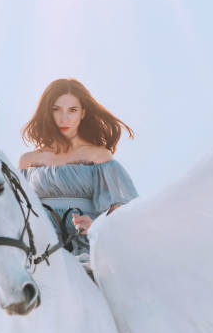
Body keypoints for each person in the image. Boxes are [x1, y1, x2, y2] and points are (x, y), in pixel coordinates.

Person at [18, 78, 138, 273]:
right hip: (41, 250)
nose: (64, 118)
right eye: (56, 109)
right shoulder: (27, 161)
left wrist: (96, 226)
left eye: (72, 110)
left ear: (83, 113)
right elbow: (18, 211)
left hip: (87, 248)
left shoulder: (98, 156)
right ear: (47, 112)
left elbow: (123, 210)